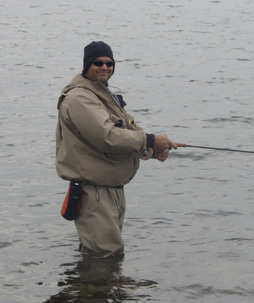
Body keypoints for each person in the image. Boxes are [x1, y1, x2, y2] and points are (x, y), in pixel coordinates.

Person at [56, 41, 177, 257]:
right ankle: (95, 289)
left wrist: (150, 150)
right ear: (87, 65)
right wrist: (150, 140)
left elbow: (128, 128)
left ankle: (93, 289)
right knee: (106, 256)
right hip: (94, 192)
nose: (104, 67)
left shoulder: (105, 96)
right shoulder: (79, 98)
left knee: (106, 256)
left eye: (109, 63)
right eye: (98, 63)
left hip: (112, 190)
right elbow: (107, 137)